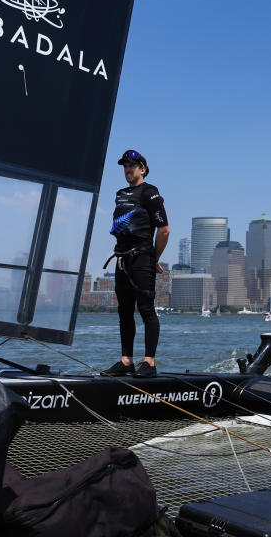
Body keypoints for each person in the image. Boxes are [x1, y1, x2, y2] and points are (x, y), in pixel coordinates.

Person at [101, 150, 170, 378]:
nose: (128, 169)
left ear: (143, 169)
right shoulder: (120, 194)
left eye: (133, 165)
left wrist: (154, 258)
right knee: (124, 312)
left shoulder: (150, 193)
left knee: (146, 310)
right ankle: (126, 361)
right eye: (125, 166)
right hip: (122, 260)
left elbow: (164, 230)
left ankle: (149, 363)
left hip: (142, 259)